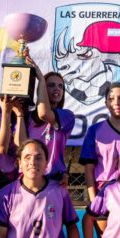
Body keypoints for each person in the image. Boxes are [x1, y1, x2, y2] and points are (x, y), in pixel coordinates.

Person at [20, 55, 75, 186]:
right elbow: (20, 144)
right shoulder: (26, 116)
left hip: (54, 180)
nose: (57, 88)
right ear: (42, 90)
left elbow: (44, 113)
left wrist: (41, 79)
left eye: (60, 86)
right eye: (51, 85)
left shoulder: (67, 116)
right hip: (28, 178)